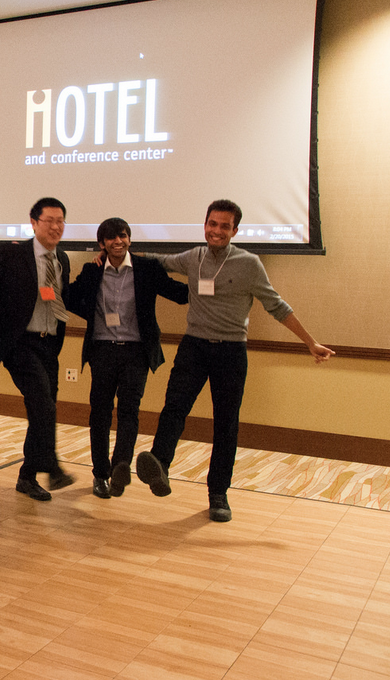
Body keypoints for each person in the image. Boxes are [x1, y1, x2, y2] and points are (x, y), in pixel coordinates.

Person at [134, 199, 334, 522]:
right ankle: (159, 464)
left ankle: (218, 494)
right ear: (205, 225)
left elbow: (277, 306)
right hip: (193, 347)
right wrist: (117, 254)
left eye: (224, 226)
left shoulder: (249, 264)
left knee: (226, 424)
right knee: (174, 407)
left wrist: (310, 343)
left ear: (234, 231)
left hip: (230, 352)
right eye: (212, 224)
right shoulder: (193, 257)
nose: (216, 231)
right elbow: (158, 262)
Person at [66, 218, 188, 499]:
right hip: (102, 349)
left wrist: (210, 286)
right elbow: (70, 297)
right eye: (110, 238)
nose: (117, 242)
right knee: (99, 413)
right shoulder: (92, 270)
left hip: (136, 351)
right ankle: (100, 474)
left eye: (122, 236)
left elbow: (178, 294)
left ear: (129, 239)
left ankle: (120, 466)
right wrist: (93, 315)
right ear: (102, 244)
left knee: (129, 410)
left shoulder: (146, 269)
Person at [0, 197, 74, 501]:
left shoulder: (62, 258)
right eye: (49, 220)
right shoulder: (13, 253)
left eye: (60, 220)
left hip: (49, 345)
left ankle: (27, 476)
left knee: (43, 409)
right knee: (43, 406)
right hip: (20, 343)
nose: (55, 226)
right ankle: (52, 466)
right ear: (33, 222)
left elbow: (59, 301)